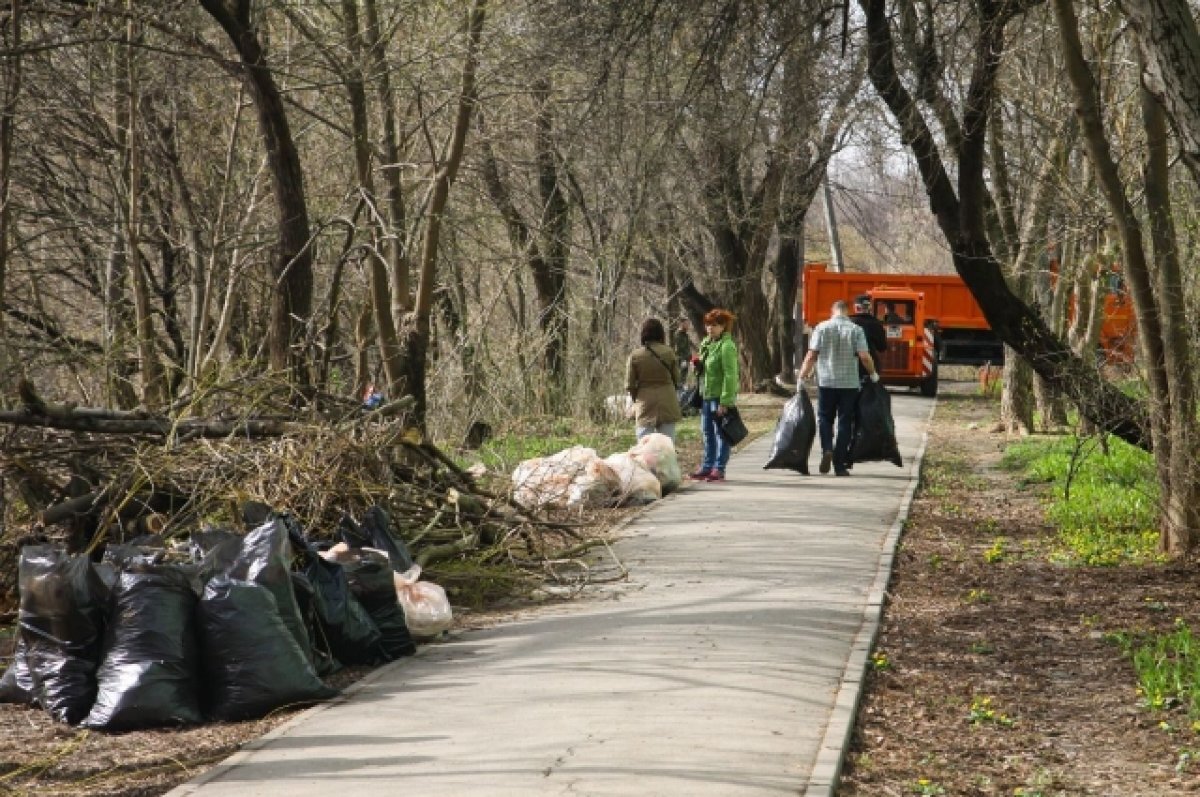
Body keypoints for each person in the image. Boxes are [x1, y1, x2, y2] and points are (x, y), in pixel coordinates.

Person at [798, 299, 880, 477]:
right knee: (845, 421)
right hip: (849, 383)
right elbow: (865, 357)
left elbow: (811, 355)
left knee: (825, 418)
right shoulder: (856, 330)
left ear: (832, 311)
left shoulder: (821, 328)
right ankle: (839, 464)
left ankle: (827, 448)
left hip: (826, 382)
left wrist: (802, 377)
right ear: (847, 311)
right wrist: (873, 375)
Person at [688, 308, 739, 483]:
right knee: (707, 432)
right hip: (706, 395)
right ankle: (707, 466)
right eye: (708, 325)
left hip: (719, 397)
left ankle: (719, 468)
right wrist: (696, 366)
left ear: (723, 326)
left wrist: (725, 401)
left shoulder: (727, 346)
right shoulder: (706, 344)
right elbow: (704, 372)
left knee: (721, 433)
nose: (710, 328)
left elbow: (730, 375)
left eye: (715, 325)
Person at [624, 317, 683, 442]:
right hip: (667, 400)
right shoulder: (669, 352)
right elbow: (677, 379)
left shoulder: (635, 355)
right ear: (661, 333)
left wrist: (636, 399)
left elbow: (629, 384)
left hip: (644, 402)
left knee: (644, 449)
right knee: (667, 446)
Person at [849, 294, 888, 377]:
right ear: (870, 308)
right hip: (869, 368)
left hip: (849, 366)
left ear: (856, 308)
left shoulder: (848, 322)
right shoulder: (876, 324)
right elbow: (882, 347)